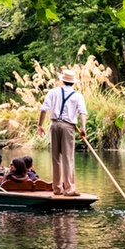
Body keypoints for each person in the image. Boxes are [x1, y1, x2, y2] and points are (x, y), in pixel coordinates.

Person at [37, 68, 87, 196]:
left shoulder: (53, 92)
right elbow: (82, 112)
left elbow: (44, 109)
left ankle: (57, 189)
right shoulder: (77, 96)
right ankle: (69, 189)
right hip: (68, 127)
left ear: (62, 81)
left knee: (56, 158)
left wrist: (40, 125)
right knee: (68, 158)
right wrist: (83, 128)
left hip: (54, 125)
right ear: (73, 83)